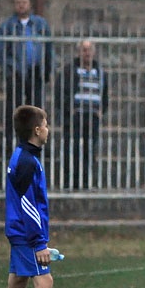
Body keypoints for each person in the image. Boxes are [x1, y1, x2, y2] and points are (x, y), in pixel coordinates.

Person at [1, 105, 83, 288]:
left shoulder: (23, 156)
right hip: (27, 234)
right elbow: (27, 204)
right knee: (44, 281)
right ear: (37, 130)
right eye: (46, 124)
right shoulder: (26, 161)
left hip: (19, 231)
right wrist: (39, 243)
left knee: (17, 283)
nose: (48, 129)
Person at [0, 0, 52, 154]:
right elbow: (1, 51)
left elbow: (48, 48)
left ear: (30, 4)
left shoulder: (40, 24)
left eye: (24, 2)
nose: (21, 5)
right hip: (16, 74)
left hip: (36, 72)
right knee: (14, 110)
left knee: (37, 111)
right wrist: (9, 68)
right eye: (18, 2)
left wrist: (47, 70)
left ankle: (38, 143)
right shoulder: (7, 26)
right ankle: (11, 144)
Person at [55, 40, 108, 189]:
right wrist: (69, 110)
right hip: (75, 116)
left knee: (89, 151)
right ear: (79, 52)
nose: (87, 53)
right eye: (84, 50)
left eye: (90, 49)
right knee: (72, 149)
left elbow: (104, 94)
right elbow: (60, 92)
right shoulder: (70, 71)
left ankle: (85, 182)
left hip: (92, 117)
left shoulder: (100, 72)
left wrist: (101, 111)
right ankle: (70, 182)